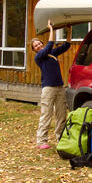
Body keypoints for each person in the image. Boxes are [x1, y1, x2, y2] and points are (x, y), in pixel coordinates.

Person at [31, 20, 71, 149]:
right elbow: (50, 44)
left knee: (61, 115)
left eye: (39, 44)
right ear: (35, 50)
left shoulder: (52, 53)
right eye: (35, 46)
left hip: (60, 88)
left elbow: (67, 45)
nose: (38, 46)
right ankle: (41, 141)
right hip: (48, 89)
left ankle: (61, 138)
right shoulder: (39, 57)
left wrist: (69, 30)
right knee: (46, 114)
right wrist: (51, 29)